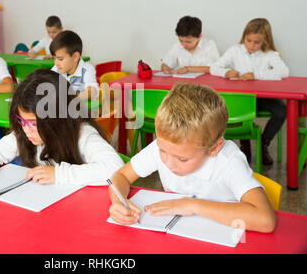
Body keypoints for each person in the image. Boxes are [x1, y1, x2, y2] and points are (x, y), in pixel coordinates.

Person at [108, 82, 276, 233]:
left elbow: (265, 220)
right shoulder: (166, 145)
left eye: (182, 159)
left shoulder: (229, 160)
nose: (168, 163)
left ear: (214, 148)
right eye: (163, 151)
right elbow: (121, 176)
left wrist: (192, 205)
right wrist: (118, 201)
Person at [0, 68, 123, 188]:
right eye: (21, 120)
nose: (26, 129)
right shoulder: (27, 131)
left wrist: (59, 174)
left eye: (33, 123)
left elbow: (115, 168)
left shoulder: (83, 134)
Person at [210, 18, 289, 165]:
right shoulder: (235, 50)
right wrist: (226, 72)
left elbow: (284, 72)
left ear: (265, 41)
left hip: (263, 99)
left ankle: (263, 143)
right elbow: (214, 67)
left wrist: (256, 75)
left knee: (282, 110)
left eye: (257, 42)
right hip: (243, 98)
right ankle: (244, 145)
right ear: (243, 37)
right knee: (237, 109)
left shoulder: (271, 54)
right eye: (249, 40)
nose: (251, 45)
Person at [50, 30, 98, 100]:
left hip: (83, 109)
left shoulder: (86, 69)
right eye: (54, 58)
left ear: (75, 56)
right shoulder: (57, 69)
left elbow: (93, 91)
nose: (56, 63)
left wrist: (72, 97)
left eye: (60, 59)